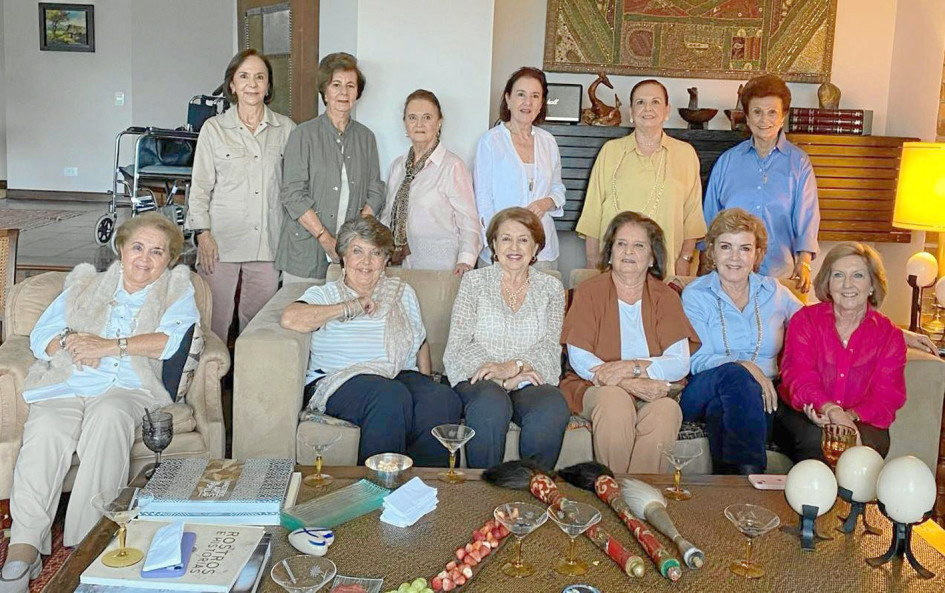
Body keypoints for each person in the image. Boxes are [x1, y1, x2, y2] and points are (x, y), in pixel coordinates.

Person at [0, 214, 199, 593]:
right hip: (69, 381)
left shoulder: (176, 292)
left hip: (127, 386)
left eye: (157, 252)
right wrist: (71, 341)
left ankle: (85, 542)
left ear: (170, 259)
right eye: (137, 247)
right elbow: (42, 335)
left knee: (109, 418)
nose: (145, 259)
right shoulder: (86, 285)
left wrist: (107, 346)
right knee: (46, 428)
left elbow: (168, 341)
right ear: (121, 248)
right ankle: (23, 547)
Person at [280, 216, 461, 466]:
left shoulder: (402, 292)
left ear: (385, 260)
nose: (366, 262)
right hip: (341, 378)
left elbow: (420, 343)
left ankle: (424, 484)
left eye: (375, 253)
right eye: (357, 251)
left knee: (442, 398)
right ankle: (379, 484)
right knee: (389, 395)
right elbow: (291, 318)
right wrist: (350, 306)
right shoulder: (326, 294)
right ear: (343, 256)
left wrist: (426, 381)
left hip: (397, 374)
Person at [562, 211, 699, 473]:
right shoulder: (589, 291)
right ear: (610, 253)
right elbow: (579, 358)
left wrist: (631, 368)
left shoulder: (666, 297)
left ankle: (637, 491)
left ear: (652, 257)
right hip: (595, 387)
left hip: (652, 390)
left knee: (666, 411)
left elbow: (679, 363)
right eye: (621, 244)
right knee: (615, 401)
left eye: (639, 246)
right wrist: (628, 383)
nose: (628, 251)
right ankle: (615, 489)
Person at [443, 207, 570, 471]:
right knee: (492, 403)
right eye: (506, 239)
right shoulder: (474, 282)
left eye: (523, 239)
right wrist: (499, 378)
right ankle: (483, 487)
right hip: (479, 380)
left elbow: (550, 347)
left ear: (536, 248)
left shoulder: (551, 288)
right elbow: (459, 344)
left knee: (552, 405)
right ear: (493, 245)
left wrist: (514, 368)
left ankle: (533, 483)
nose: (514, 247)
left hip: (527, 379)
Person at [681, 208, 802, 474]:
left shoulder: (774, 292)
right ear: (712, 252)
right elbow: (697, 360)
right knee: (737, 377)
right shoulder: (696, 294)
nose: (735, 257)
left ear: (757, 255)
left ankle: (737, 485)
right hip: (704, 387)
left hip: (759, 397)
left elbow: (815, 324)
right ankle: (752, 483)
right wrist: (747, 367)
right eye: (726, 247)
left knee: (724, 408)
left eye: (744, 248)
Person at [187, 49, 296, 340]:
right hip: (221, 242)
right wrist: (202, 234)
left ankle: (249, 372)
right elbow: (200, 187)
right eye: (244, 76)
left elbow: (295, 187)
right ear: (232, 85)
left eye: (260, 77)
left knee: (259, 327)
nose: (252, 84)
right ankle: (212, 370)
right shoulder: (214, 129)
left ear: (268, 86)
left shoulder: (286, 129)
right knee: (213, 322)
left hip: (268, 243)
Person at [775, 242, 906, 461]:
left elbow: (887, 395)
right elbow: (798, 375)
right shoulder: (805, 321)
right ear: (828, 282)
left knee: (865, 450)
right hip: (805, 413)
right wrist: (830, 410)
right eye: (838, 275)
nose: (847, 284)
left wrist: (849, 417)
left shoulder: (889, 336)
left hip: (862, 419)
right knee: (816, 441)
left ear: (872, 285)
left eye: (858, 275)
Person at [703, 74, 820, 293]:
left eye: (772, 112)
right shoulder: (727, 162)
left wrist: (804, 262)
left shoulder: (799, 163)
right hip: (729, 277)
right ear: (747, 118)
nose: (764, 120)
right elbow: (710, 218)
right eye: (757, 112)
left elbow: (807, 217)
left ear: (783, 116)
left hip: (780, 278)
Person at [275, 52, 385, 284]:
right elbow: (293, 194)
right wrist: (325, 238)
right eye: (336, 85)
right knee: (300, 306)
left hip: (350, 256)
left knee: (344, 306)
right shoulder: (303, 135)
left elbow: (375, 189)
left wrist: (355, 237)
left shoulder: (366, 137)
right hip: (304, 252)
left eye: (350, 86)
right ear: (325, 92)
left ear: (357, 93)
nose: (343, 92)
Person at [577, 79, 705, 275]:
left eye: (655, 102)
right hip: (614, 267)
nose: (648, 108)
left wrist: (685, 259)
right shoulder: (611, 151)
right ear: (631, 112)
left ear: (667, 110)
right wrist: (592, 264)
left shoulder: (685, 154)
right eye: (640, 102)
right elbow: (592, 215)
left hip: (666, 268)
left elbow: (692, 215)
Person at [474, 67, 566, 269]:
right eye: (521, 94)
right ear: (508, 99)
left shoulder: (548, 142)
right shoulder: (490, 142)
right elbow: (483, 198)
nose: (528, 102)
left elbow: (558, 189)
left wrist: (546, 203)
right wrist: (495, 242)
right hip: (502, 249)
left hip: (541, 248)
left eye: (535, 96)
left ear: (541, 103)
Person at [380, 89, 480, 273]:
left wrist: (466, 261)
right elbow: (387, 215)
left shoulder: (453, 166)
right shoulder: (398, 166)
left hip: (441, 268)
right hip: (399, 267)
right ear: (405, 123)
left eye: (427, 117)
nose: (419, 124)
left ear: (439, 122)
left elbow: (469, 222)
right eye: (412, 118)